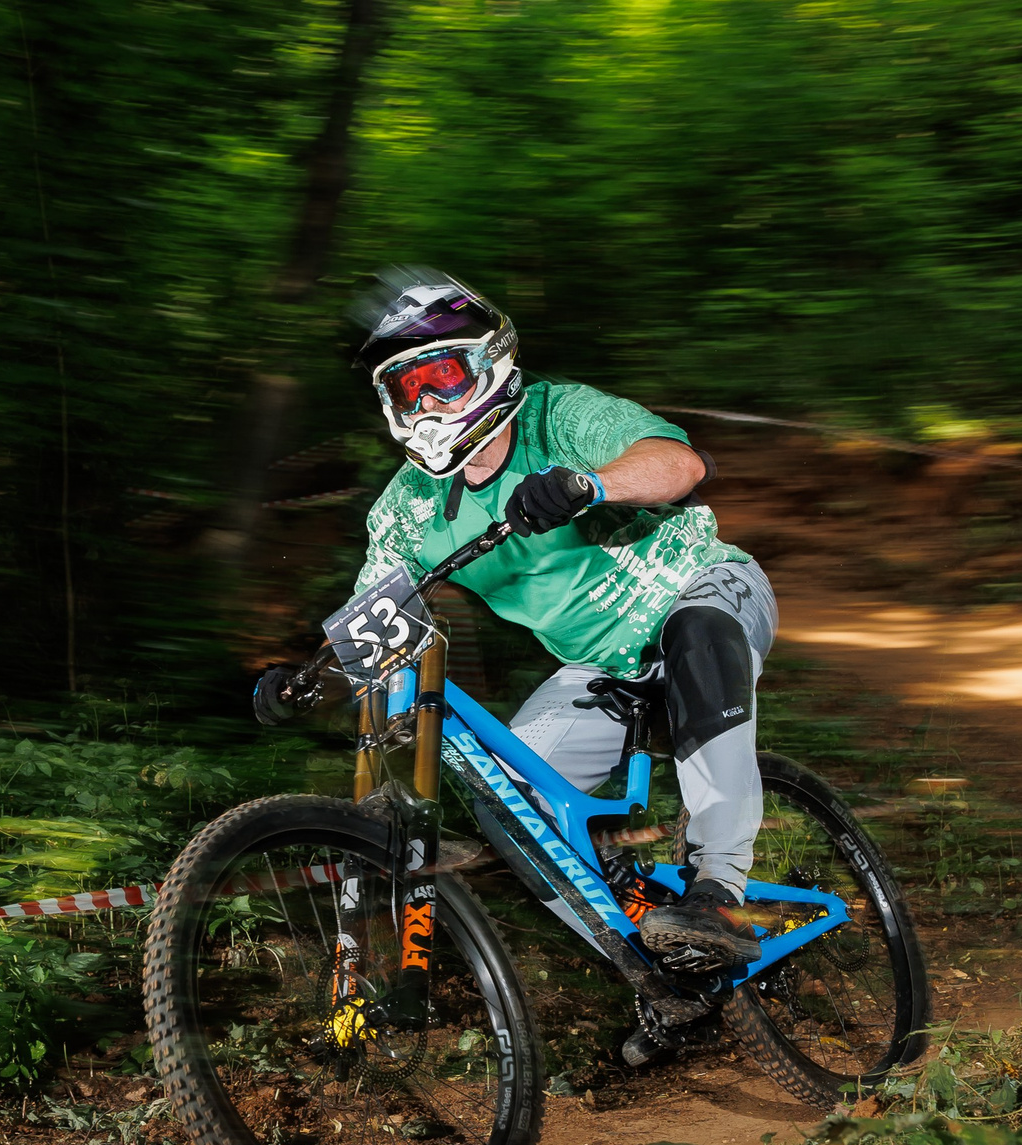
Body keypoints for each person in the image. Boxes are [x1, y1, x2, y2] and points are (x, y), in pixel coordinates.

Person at [265, 266, 778, 971]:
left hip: (704, 589)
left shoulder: (558, 417)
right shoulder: (408, 509)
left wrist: (589, 482)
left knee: (697, 633)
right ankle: (647, 968)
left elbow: (677, 464)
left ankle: (720, 888)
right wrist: (306, 677)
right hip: (599, 665)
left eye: (441, 376)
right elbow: (370, 625)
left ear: (489, 360)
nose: (428, 405)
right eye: (406, 389)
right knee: (506, 805)